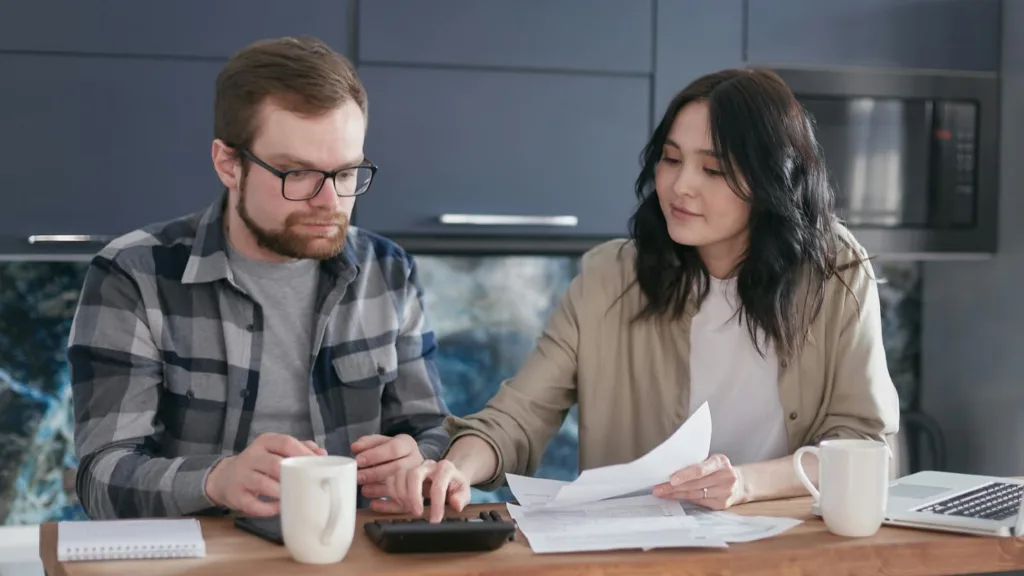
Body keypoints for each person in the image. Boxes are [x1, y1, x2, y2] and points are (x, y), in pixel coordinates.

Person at [369, 68, 901, 522]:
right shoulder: (609, 277)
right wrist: (455, 469)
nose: (680, 185)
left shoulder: (835, 272)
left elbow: (864, 447)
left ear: (771, 183)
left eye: (713, 169)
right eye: (671, 160)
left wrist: (745, 483)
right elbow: (518, 417)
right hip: (640, 556)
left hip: (784, 555)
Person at [68, 37, 450, 520]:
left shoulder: (389, 270)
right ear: (229, 164)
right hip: (199, 561)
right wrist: (216, 480)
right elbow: (100, 479)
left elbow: (431, 431)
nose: (331, 202)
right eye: (297, 174)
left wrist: (420, 459)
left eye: (347, 173)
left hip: (351, 554)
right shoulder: (133, 275)